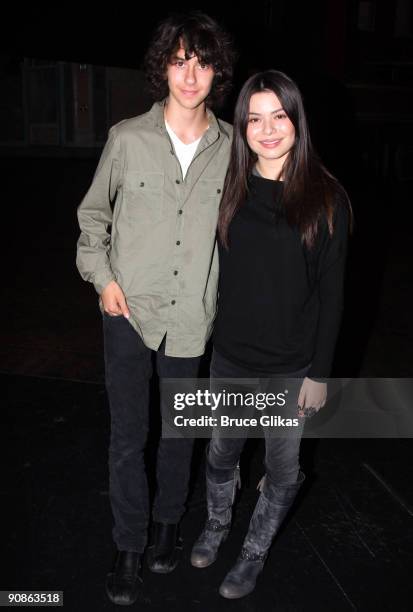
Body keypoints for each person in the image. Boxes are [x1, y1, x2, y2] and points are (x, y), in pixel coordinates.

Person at [76, 11, 234, 606]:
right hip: (127, 311)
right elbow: (93, 219)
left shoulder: (231, 148)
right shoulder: (127, 138)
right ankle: (128, 544)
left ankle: (169, 524)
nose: (189, 73)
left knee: (179, 433)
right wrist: (102, 279)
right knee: (127, 436)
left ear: (216, 71)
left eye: (201, 60)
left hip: (192, 316)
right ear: (162, 66)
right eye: (179, 59)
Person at [190, 70, 352, 599]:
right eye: (254, 119)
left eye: (278, 116)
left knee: (283, 471)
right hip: (232, 359)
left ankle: (253, 553)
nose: (267, 129)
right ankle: (216, 524)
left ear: (296, 121)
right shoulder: (227, 190)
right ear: (241, 128)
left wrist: (320, 376)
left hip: (290, 367)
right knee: (220, 455)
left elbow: (332, 298)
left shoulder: (328, 200)